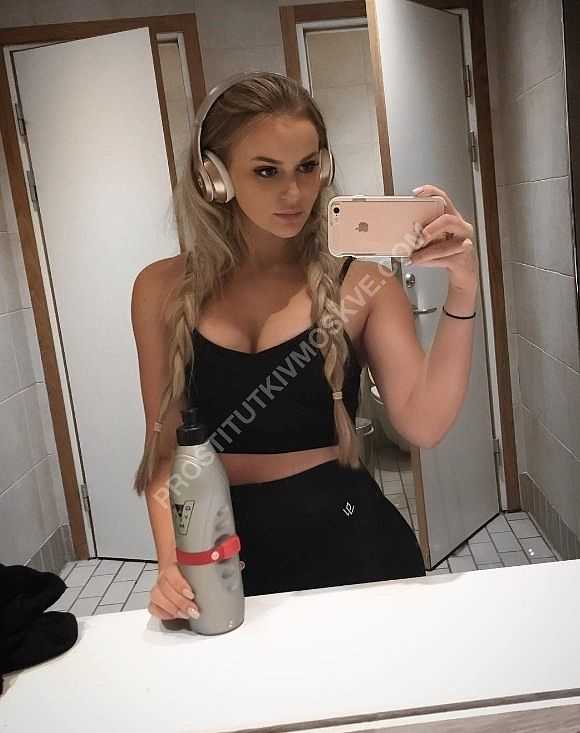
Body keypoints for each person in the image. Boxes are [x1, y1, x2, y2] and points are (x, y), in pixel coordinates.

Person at [130, 72, 478, 622]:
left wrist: (464, 288)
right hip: (222, 555)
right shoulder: (160, 289)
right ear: (214, 177)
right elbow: (166, 455)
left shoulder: (363, 286)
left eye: (307, 167)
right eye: (266, 171)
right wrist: (172, 562)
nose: (294, 193)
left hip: (353, 543)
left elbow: (424, 425)